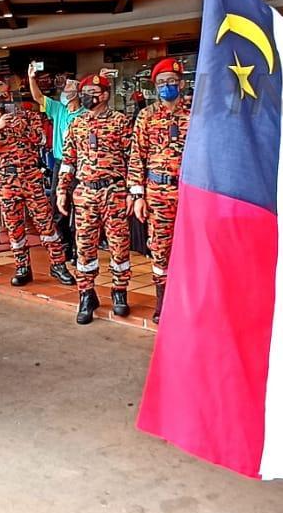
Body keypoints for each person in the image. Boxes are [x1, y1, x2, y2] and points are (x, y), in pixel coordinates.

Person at [57, 74, 133, 323]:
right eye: (84, 91)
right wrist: (61, 190)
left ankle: (119, 291)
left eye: (92, 91)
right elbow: (68, 161)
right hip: (86, 193)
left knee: (119, 245)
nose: (87, 96)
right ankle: (87, 294)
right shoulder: (76, 125)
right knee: (85, 248)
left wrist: (133, 192)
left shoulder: (121, 122)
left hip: (114, 192)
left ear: (104, 94)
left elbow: (132, 160)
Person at [0, 79, 73, 288]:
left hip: (30, 176)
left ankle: (58, 264)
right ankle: (22, 266)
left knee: (46, 222)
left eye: (4, 95)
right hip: (6, 179)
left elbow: (41, 139)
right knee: (14, 227)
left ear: (11, 95)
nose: (1, 100)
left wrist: (20, 124)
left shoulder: (29, 115)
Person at [128, 58, 191, 323]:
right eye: (162, 83)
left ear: (182, 83)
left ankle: (190, 301)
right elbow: (136, 156)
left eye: (171, 82)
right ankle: (163, 301)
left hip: (190, 194)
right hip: (158, 192)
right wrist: (137, 195)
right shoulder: (146, 115)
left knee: (191, 248)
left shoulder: (198, 112)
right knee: (160, 247)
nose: (167, 87)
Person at [28, 65, 84, 263]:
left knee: (80, 209)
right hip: (60, 163)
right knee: (58, 206)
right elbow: (38, 97)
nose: (64, 93)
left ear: (77, 94)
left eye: (68, 90)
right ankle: (65, 247)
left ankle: (79, 249)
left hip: (81, 165)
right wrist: (31, 78)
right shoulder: (58, 109)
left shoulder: (85, 114)